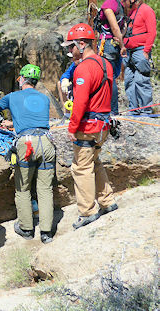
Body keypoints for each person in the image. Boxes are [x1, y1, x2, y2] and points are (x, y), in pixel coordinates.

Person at [0, 64, 55, 244]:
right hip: (46, 142)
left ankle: (26, 228)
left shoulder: (12, 97)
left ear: (22, 79)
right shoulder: (44, 98)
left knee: (23, 188)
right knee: (45, 189)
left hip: (26, 143)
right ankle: (46, 233)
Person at [61, 23, 118, 229]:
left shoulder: (84, 68)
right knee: (94, 162)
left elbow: (81, 102)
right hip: (103, 124)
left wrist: (72, 127)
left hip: (88, 126)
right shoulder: (105, 64)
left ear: (81, 44)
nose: (69, 51)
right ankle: (107, 200)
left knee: (81, 167)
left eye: (71, 47)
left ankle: (87, 211)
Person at [120, 0, 157, 115]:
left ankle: (146, 110)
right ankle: (134, 110)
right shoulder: (131, 12)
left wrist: (146, 51)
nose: (124, 1)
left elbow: (152, 32)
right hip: (129, 52)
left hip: (140, 51)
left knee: (142, 80)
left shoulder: (146, 10)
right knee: (129, 81)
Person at [93, 0, 126, 115]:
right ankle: (112, 110)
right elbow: (123, 26)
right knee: (112, 75)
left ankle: (112, 111)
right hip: (115, 44)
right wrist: (121, 42)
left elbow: (114, 27)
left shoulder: (108, 5)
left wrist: (122, 45)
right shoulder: (118, 2)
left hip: (108, 45)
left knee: (108, 77)